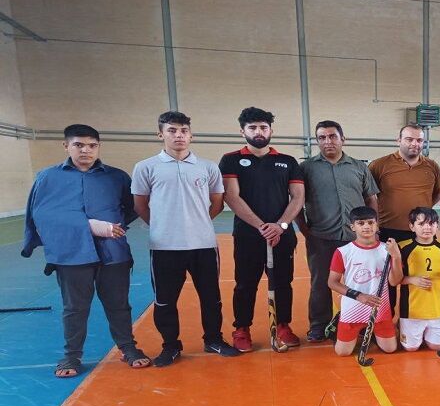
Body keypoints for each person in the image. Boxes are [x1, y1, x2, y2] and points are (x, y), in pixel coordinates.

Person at [22, 124, 150, 377]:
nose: (86, 151)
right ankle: (71, 356)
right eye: (78, 145)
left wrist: (113, 227)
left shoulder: (116, 177)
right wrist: (90, 227)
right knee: (75, 308)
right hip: (71, 254)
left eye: (92, 146)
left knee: (119, 305)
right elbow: (42, 215)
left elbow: (132, 207)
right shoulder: (48, 178)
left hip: (113, 253)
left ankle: (128, 347)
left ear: (98, 147)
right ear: (66, 146)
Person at [132, 111, 240, 366]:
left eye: (183, 131)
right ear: (160, 134)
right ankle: (170, 346)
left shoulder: (207, 167)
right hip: (164, 247)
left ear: (191, 135)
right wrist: (163, 226)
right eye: (172, 130)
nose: (178, 135)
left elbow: (216, 203)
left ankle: (213, 339)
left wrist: (196, 223)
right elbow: (140, 205)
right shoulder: (146, 167)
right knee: (165, 301)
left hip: (203, 245)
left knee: (211, 298)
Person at [219, 107, 305, 351]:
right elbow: (232, 197)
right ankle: (241, 328)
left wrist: (280, 226)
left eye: (263, 127)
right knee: (245, 284)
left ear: (271, 131)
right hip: (248, 235)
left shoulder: (287, 161)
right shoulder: (231, 160)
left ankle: (283, 325)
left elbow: (298, 197)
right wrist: (261, 226)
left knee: (283, 283)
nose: (259, 131)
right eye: (253, 127)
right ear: (242, 132)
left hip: (282, 235)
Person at [297, 120, 379, 343]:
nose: (328, 141)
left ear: (343, 139)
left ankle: (363, 323)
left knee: (362, 281)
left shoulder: (359, 167)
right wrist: (306, 231)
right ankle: (318, 325)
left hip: (357, 239)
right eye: (322, 137)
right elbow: (296, 201)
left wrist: (374, 229)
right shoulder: (306, 168)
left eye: (332, 136)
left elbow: (371, 198)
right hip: (321, 237)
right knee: (321, 283)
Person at [369, 123, 440, 309]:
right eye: (409, 139)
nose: (414, 144)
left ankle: (411, 319)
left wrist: (421, 219)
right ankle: (385, 319)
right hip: (389, 232)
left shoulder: (432, 166)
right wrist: (375, 227)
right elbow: (368, 196)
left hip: (421, 234)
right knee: (387, 280)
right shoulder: (379, 165)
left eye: (419, 140)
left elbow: (437, 194)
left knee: (417, 277)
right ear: (399, 140)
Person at [327, 206, 403, 356]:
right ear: (352, 227)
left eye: (370, 222)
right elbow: (332, 282)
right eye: (361, 223)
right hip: (353, 308)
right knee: (343, 353)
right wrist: (359, 296)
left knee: (390, 349)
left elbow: (395, 282)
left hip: (380, 310)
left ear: (377, 225)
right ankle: (340, 324)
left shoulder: (387, 250)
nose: (366, 226)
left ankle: (372, 331)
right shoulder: (343, 252)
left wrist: (396, 256)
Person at [398, 207, 440, 351]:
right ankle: (402, 324)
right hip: (412, 311)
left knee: (436, 346)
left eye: (431, 223)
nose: (427, 228)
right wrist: (412, 280)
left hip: (437, 310)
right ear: (412, 226)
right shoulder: (403, 247)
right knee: (411, 348)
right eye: (421, 224)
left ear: (437, 226)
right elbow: (395, 279)